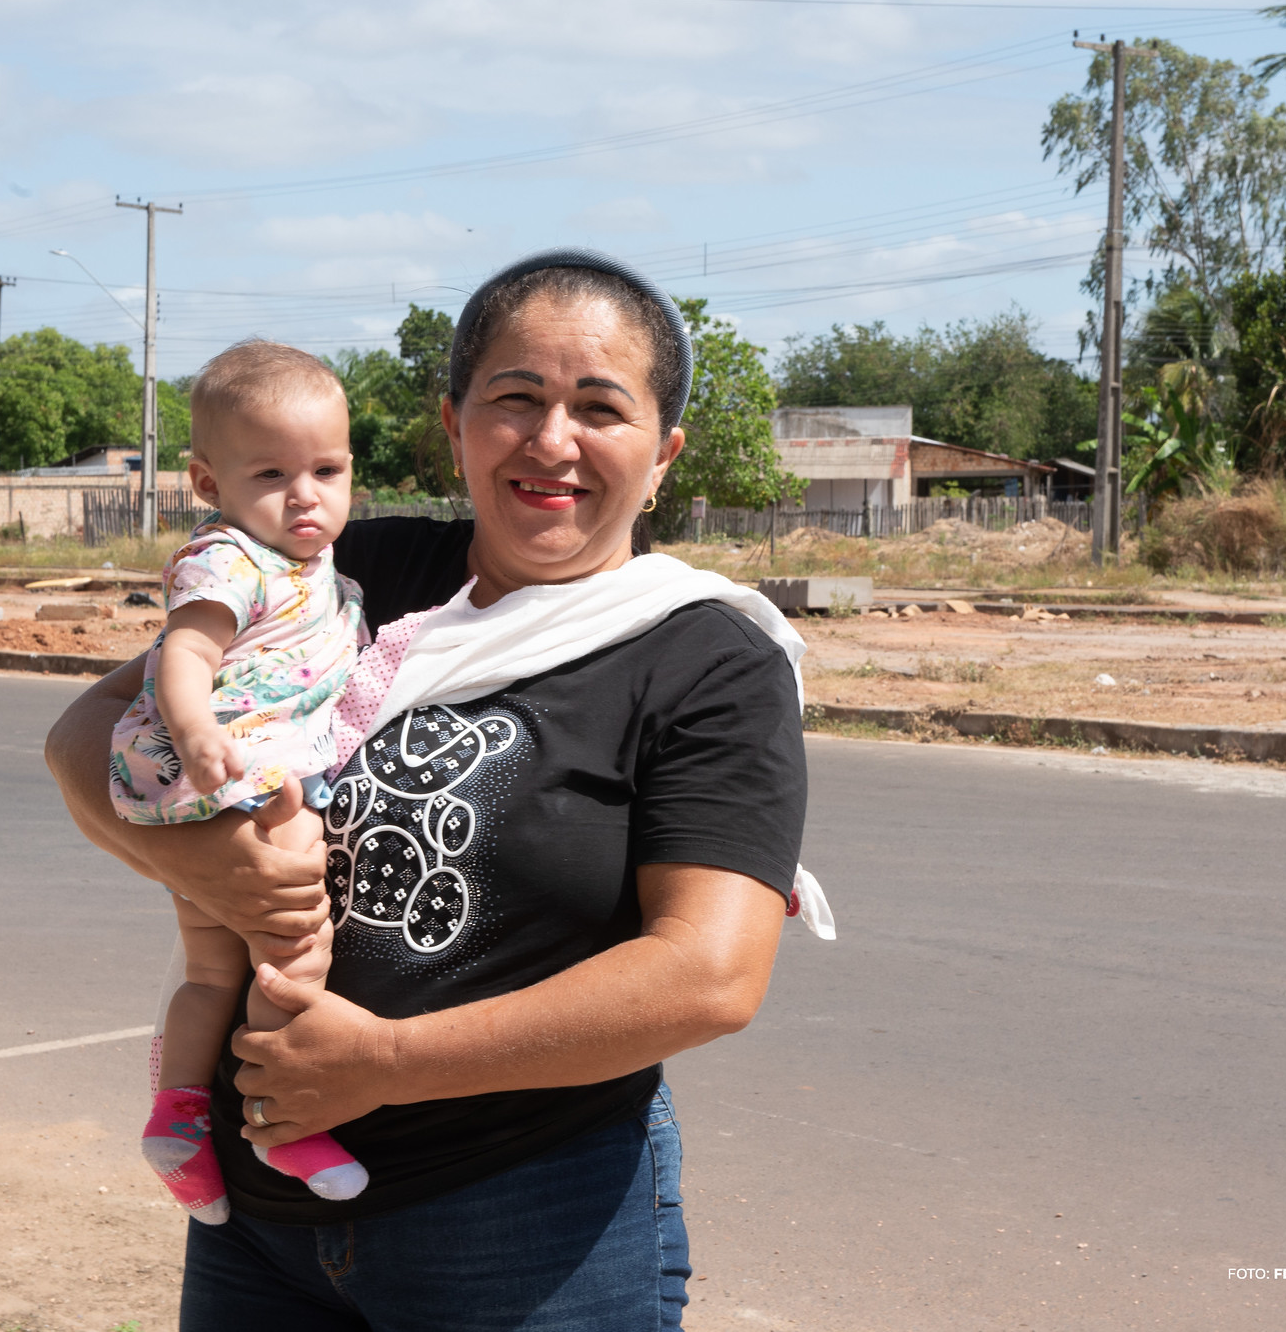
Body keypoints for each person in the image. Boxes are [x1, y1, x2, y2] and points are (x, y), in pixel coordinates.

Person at [46, 248, 812, 1331]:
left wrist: (383, 1063)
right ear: (454, 425)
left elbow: (707, 974)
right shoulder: (357, 573)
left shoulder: (706, 660)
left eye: (599, 407)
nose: (553, 440)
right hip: (259, 1223)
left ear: (661, 453)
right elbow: (86, 736)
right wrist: (202, 862)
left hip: (525, 1219)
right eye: (515, 398)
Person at [112, 340, 371, 1222]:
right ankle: (278, 1118)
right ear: (207, 482)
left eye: (327, 468)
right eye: (271, 473)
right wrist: (196, 734)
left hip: (218, 782)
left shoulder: (306, 561)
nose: (306, 494)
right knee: (298, 952)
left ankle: (178, 1120)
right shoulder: (228, 560)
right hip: (247, 774)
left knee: (210, 972)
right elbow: (184, 650)